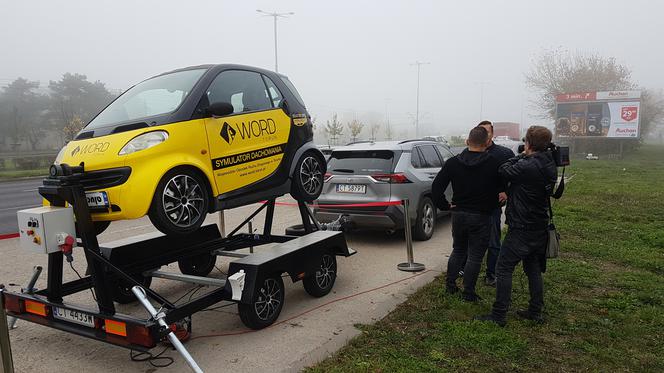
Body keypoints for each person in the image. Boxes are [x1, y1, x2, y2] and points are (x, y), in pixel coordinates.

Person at [476, 126, 558, 326]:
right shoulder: (549, 162)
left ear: (529, 143)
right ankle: (535, 311)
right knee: (533, 268)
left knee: (503, 268)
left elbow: (503, 170)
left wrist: (521, 156)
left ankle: (499, 315)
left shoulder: (527, 165)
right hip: (539, 224)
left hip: (522, 226)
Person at [432, 126, 503, 302]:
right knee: (475, 256)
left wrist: (445, 206)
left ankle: (450, 285)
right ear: (487, 142)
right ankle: (469, 292)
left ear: (467, 141)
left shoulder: (453, 163)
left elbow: (436, 188)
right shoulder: (494, 163)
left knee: (458, 250)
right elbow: (503, 189)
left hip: (459, 214)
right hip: (482, 215)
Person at [477, 120, 515, 286]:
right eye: (481, 131)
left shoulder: (504, 154)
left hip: (492, 207)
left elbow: (515, 177)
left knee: (493, 242)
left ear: (492, 134)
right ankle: (466, 270)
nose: (485, 135)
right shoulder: (470, 153)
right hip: (473, 206)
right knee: (472, 243)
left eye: (487, 131)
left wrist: (506, 192)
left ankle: (491, 274)